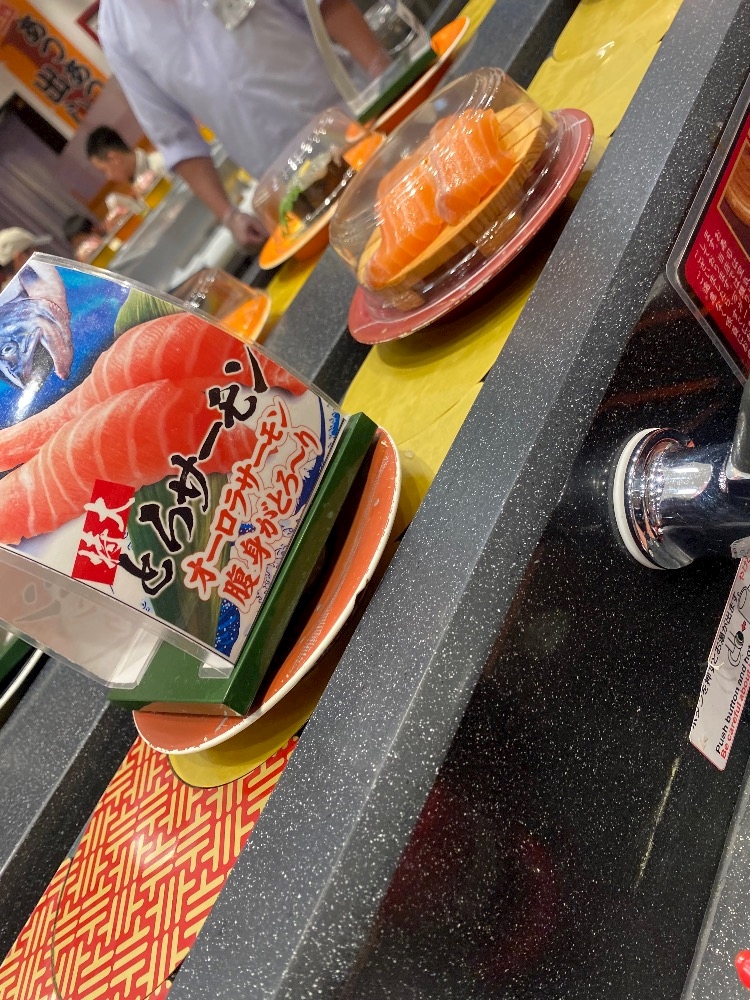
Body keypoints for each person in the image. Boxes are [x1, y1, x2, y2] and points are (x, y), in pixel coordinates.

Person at [98, 0, 388, 247]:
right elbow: (175, 137)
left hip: (358, 117)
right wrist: (229, 215)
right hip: (290, 186)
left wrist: (385, 76)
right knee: (364, 256)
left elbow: (322, 4)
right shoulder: (116, 31)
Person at [85, 126, 167, 197]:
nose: (108, 177)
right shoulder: (136, 186)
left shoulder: (163, 164)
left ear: (114, 159)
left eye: (104, 170)